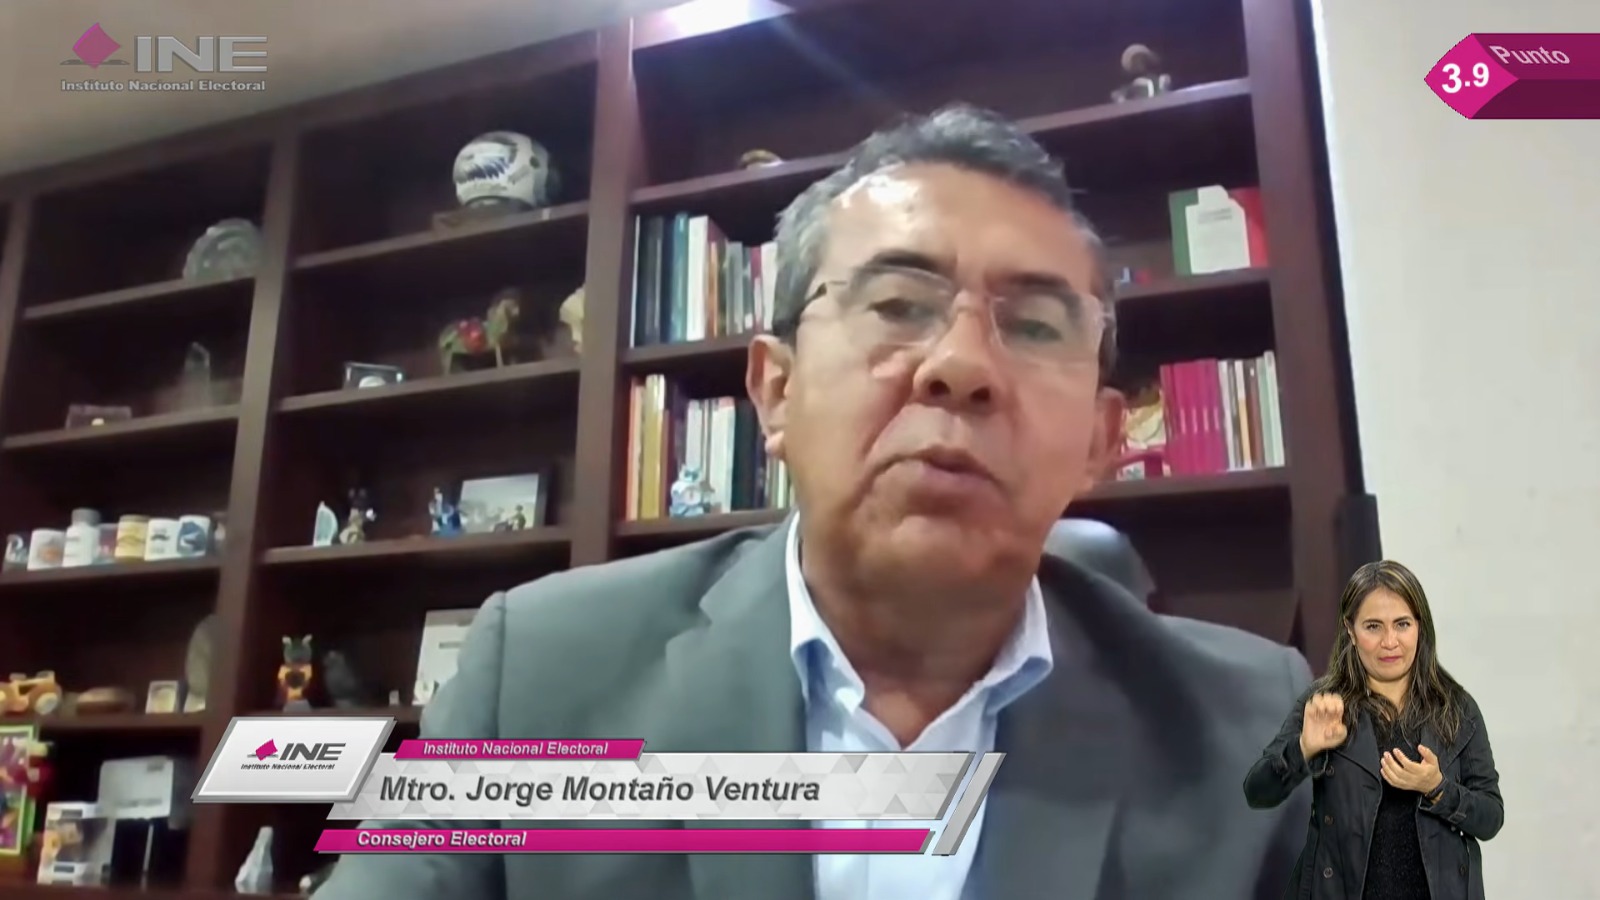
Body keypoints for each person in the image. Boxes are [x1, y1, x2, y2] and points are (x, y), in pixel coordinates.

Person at [314, 105, 1312, 900]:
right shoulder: (539, 672)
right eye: (899, 305)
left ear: (1100, 439)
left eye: (1038, 325)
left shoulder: (1255, 725)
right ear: (776, 391)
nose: (962, 365)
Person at [1243, 560, 1503, 900]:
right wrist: (1304, 748)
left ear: (1420, 627)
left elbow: (1490, 818)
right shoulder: (1325, 704)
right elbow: (1257, 792)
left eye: (1402, 624)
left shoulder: (1457, 709)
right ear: (1351, 631)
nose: (1390, 642)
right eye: (1373, 627)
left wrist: (1437, 789)